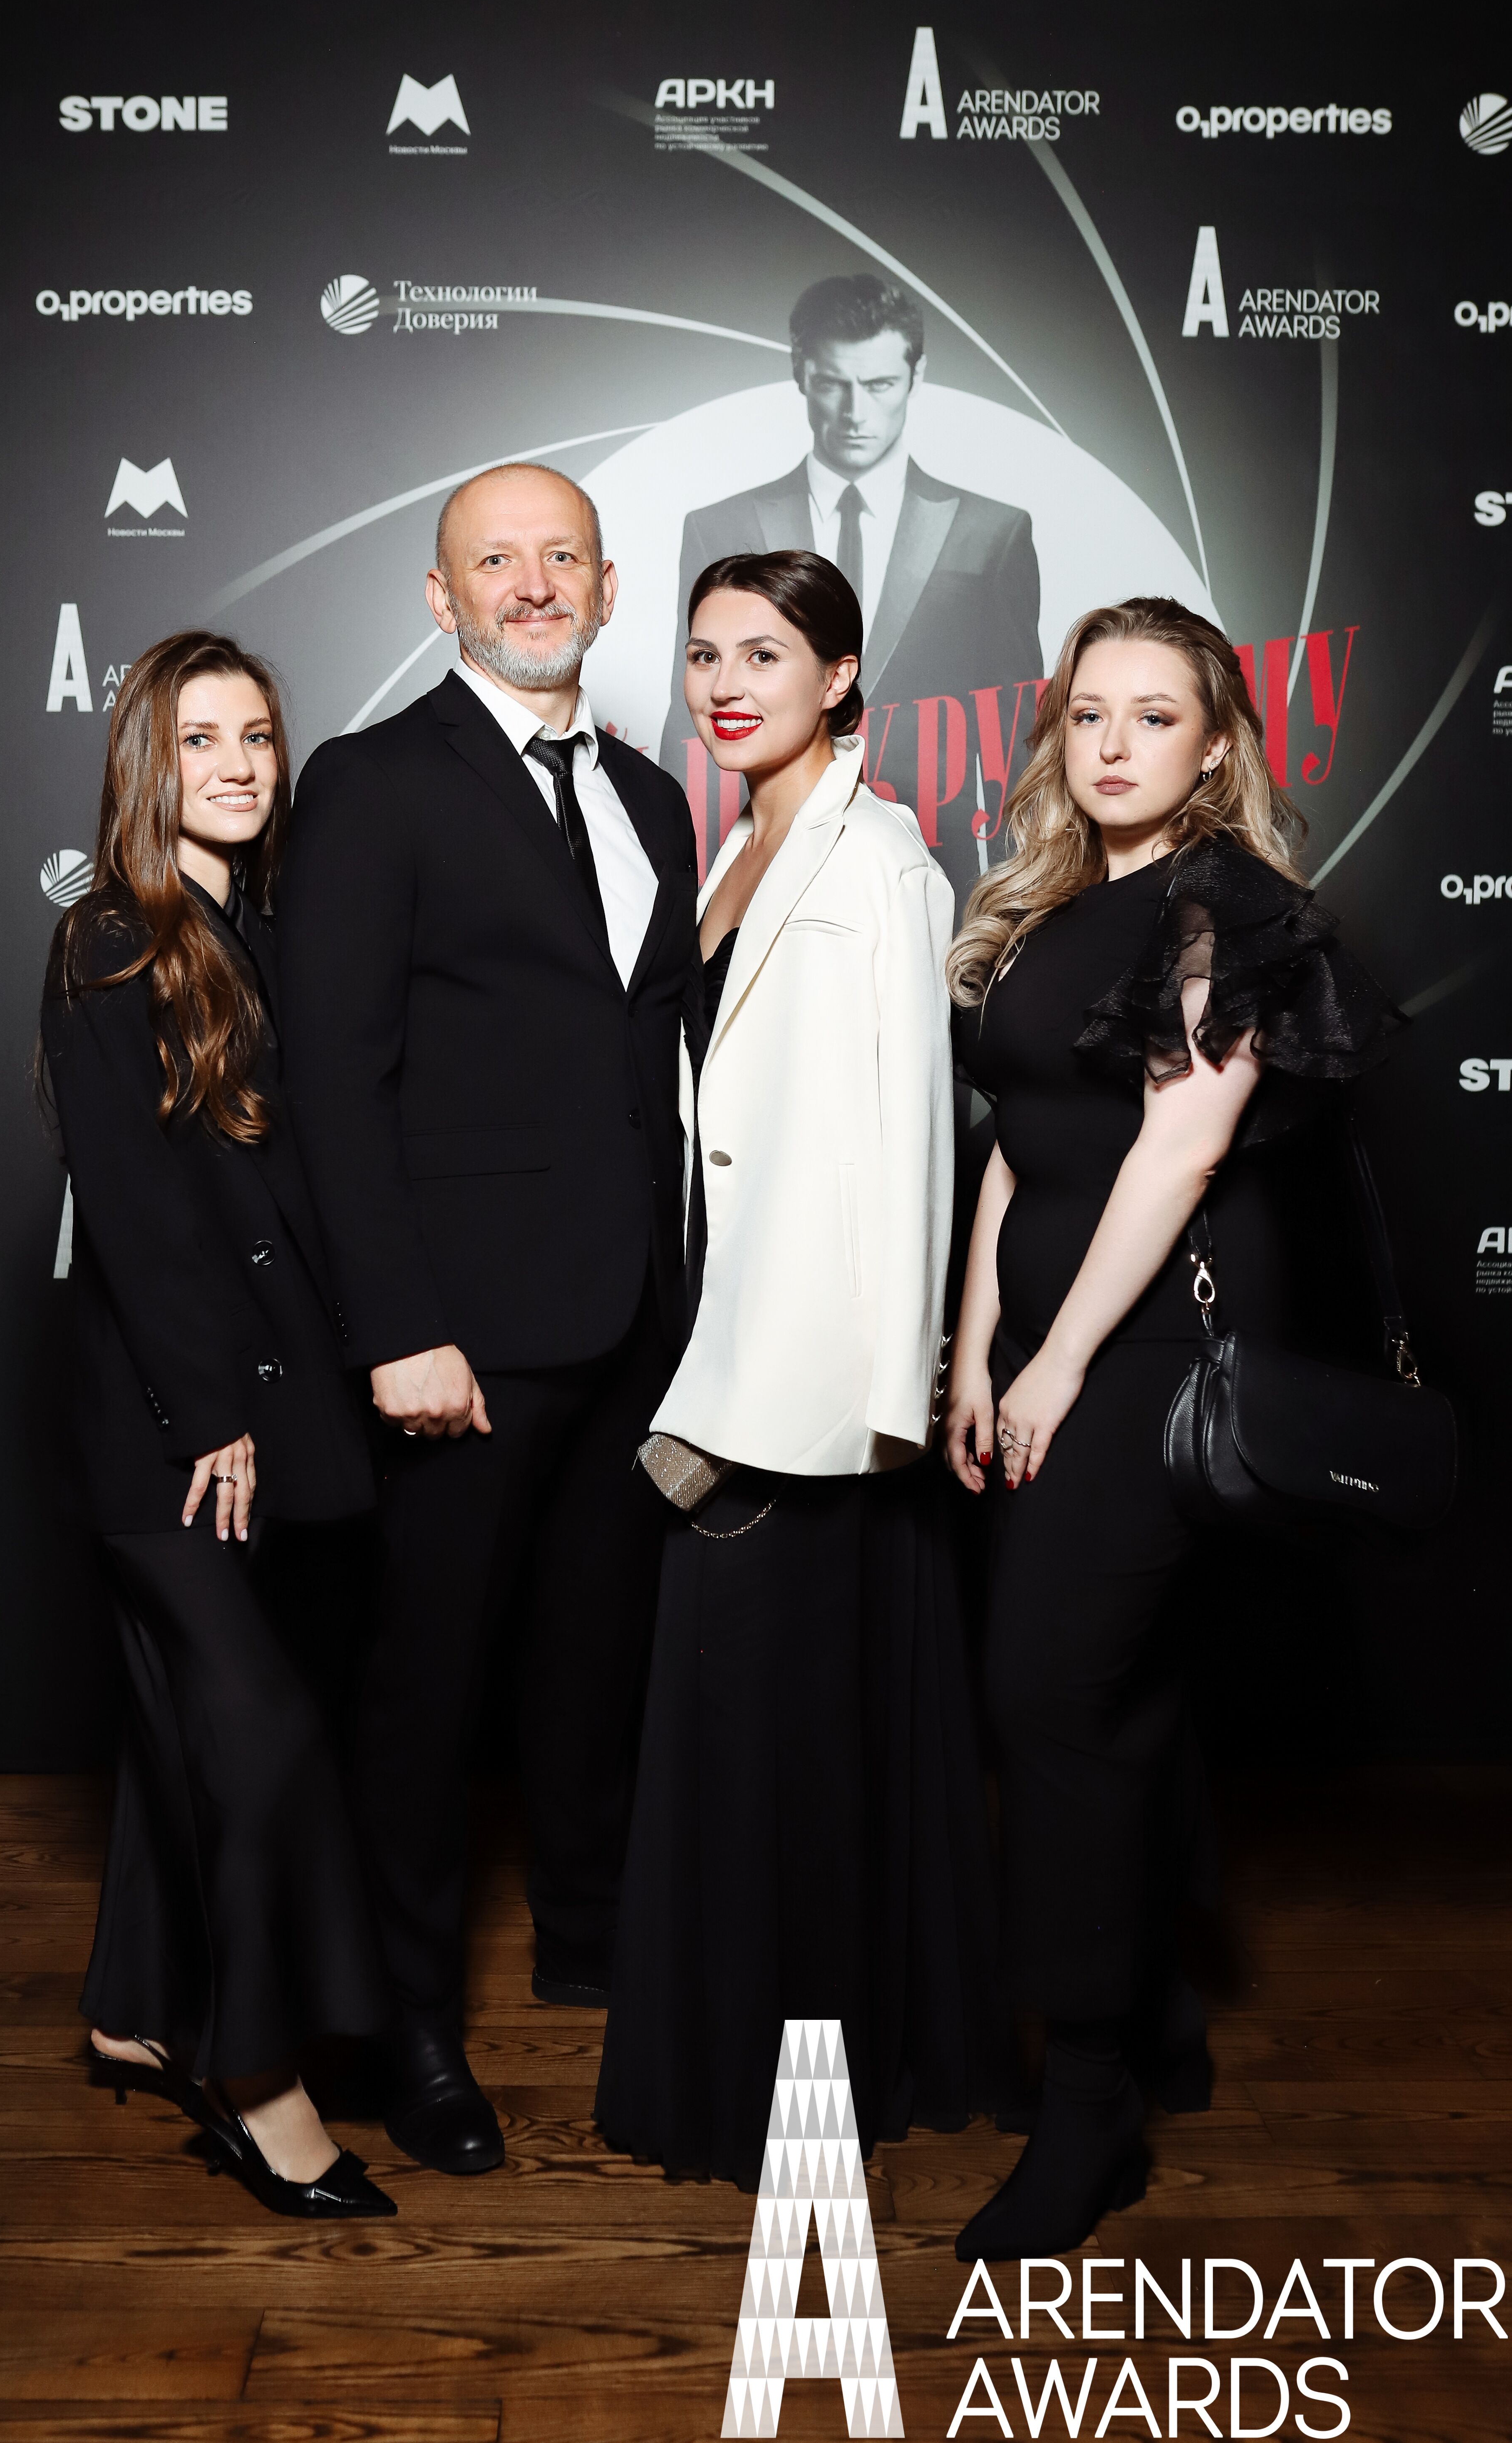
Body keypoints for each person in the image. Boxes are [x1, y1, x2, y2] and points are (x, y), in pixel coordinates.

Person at [942, 595, 1401, 2259]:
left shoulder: (1227, 907)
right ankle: (1153, 2017)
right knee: (1113, 1701)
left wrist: (1061, 1360)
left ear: (1215, 745)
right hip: (1046, 1338)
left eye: (1154, 715)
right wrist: (977, 1348)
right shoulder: (1055, 903)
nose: (1113, 742)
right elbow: (1016, 1139)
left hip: (1145, 1350)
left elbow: (1178, 1148)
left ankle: (1088, 2104)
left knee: (1050, 1694)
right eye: (1089, 713)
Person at [279, 463, 698, 2176]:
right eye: (495, 561)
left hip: (630, 1318)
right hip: (459, 1331)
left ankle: (591, 1942)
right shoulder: (371, 783)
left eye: (561, 556)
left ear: (606, 586)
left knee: (594, 1656)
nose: (534, 584)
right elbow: (332, 1079)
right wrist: (396, 1323)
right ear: (439, 598)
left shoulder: (654, 795)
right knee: (428, 1687)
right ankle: (406, 2027)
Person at [597, 551, 1011, 2189]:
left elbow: (912, 1140)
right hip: (722, 1337)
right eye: (702, 653)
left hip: (811, 1379)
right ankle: (754, 2063)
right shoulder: (739, 840)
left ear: (841, 677)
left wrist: (882, 1403)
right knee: (745, 1734)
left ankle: (798, 2089)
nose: (722, 683)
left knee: (791, 1740)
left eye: (762, 653)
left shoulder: (882, 861)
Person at [39, 630, 395, 2220]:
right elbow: (136, 1208)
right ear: (148, 762)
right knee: (258, 1736)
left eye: (257, 736)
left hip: (272, 1399)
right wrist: (209, 1420)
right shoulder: (107, 938)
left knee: (187, 1718)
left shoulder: (258, 923)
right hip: (170, 1426)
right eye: (202, 739)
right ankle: (256, 2081)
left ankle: (133, 2005)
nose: (240, 764)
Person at [658, 273, 1041, 845]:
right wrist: (675, 857)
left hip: (941, 850)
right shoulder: (720, 527)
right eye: (833, 384)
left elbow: (1018, 731)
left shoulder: (992, 532)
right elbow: (687, 716)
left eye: (880, 384)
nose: (855, 411)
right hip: (767, 842)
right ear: (801, 374)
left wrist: (1028, 879)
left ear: (916, 376)